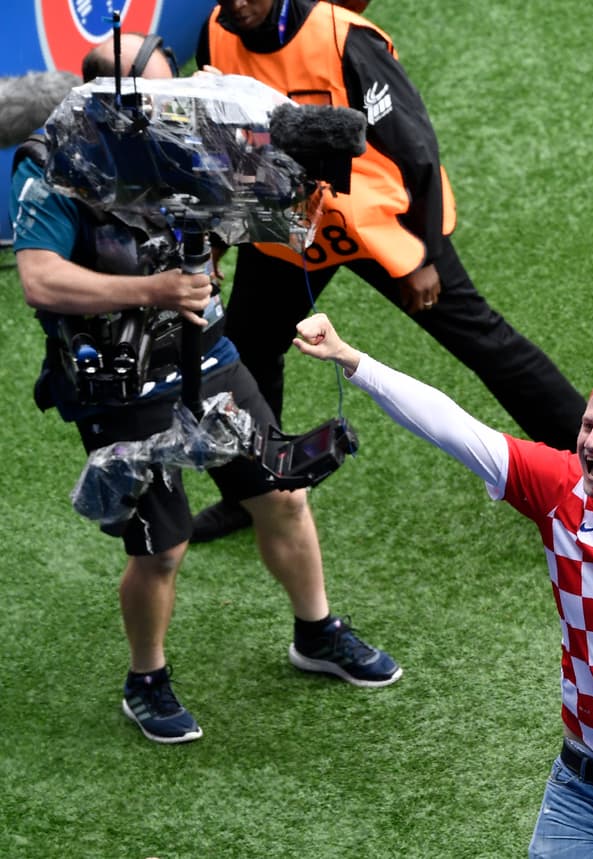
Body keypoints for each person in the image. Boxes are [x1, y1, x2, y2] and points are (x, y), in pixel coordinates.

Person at [9, 33, 401, 745]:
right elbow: (40, 279)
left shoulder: (186, 133)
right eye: (156, 96)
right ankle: (146, 680)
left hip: (209, 353)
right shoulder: (54, 163)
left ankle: (316, 632)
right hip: (121, 382)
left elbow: (243, 213)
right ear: (106, 103)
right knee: (162, 546)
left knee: (283, 493)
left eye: (178, 89)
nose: (176, 105)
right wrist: (155, 288)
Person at [292, 311, 593, 858]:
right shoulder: (557, 488)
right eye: (588, 425)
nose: (591, 441)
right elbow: (450, 425)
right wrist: (351, 359)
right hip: (585, 792)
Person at [190, 0, 586, 541]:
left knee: (482, 341)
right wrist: (215, 241)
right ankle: (253, 491)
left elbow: (416, 148)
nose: (236, 4)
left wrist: (425, 253)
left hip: (379, 222)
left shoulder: (349, 40)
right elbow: (220, 144)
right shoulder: (216, 34)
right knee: (250, 349)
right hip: (288, 225)